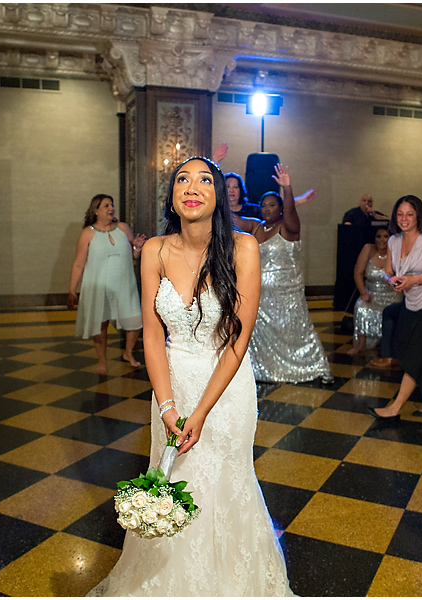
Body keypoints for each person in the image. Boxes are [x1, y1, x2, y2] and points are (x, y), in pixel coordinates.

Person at [88, 157, 294, 596]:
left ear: (219, 194)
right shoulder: (155, 251)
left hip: (225, 391)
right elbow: (152, 337)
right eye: (183, 179)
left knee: (225, 485)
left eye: (204, 179)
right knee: (173, 484)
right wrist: (168, 406)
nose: (192, 186)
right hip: (172, 387)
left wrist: (200, 411)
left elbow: (238, 342)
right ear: (172, 197)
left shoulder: (243, 248)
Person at [368, 195, 422, 421]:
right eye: (400, 214)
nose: (404, 219)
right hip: (411, 303)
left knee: (415, 355)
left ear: (418, 216)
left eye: (409, 214)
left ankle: (394, 408)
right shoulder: (394, 241)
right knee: (408, 351)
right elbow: (389, 270)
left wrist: (415, 281)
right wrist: (392, 280)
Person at [249, 165, 333, 384]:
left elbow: (291, 212)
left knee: (295, 333)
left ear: (280, 208)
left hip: (288, 296)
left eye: (272, 205)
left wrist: (288, 188)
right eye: (264, 206)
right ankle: (268, 370)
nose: (267, 209)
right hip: (262, 296)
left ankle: (312, 367)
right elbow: (230, 217)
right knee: (264, 337)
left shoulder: (288, 227)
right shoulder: (258, 228)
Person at [67, 194, 147, 374]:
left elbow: (132, 255)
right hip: (99, 285)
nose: (111, 208)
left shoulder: (122, 228)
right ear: (95, 211)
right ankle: (102, 360)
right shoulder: (88, 233)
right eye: (105, 206)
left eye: (111, 205)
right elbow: (79, 263)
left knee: (134, 320)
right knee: (100, 323)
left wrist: (138, 248)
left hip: (124, 284)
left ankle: (128, 353)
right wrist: (72, 289)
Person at [348, 227, 403, 354]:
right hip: (371, 292)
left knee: (393, 310)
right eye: (379, 236)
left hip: (392, 294)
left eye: (385, 236)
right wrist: (363, 293)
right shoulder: (368, 248)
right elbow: (358, 273)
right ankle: (361, 344)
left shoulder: (396, 252)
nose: (382, 240)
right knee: (361, 306)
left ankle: (389, 344)